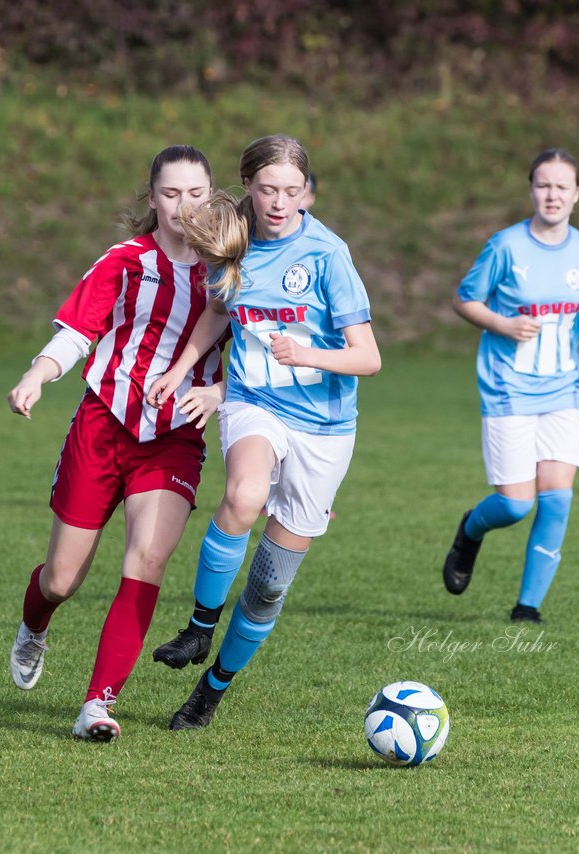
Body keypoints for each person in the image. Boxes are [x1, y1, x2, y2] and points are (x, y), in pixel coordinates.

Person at [145, 135, 381, 730]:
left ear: (308, 192)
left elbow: (368, 358)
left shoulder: (328, 256)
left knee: (268, 591)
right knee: (243, 494)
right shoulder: (230, 238)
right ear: (248, 185)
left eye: (293, 191)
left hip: (325, 427)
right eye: (269, 189)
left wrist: (307, 354)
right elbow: (220, 313)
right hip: (255, 403)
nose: (280, 202)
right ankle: (199, 627)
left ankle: (212, 689)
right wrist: (179, 371)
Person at [6, 145, 227, 742]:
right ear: (151, 198)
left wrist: (220, 392)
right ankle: (35, 624)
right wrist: (37, 373)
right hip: (104, 425)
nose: (184, 207)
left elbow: (264, 355)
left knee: (147, 559)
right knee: (61, 579)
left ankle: (97, 705)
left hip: (175, 437)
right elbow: (78, 331)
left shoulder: (232, 269)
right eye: (172, 194)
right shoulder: (126, 261)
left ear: (213, 196)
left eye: (197, 194)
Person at [441, 147, 579, 623]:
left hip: (563, 391)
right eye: (544, 185)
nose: (552, 194)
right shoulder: (505, 246)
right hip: (508, 389)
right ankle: (470, 531)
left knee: (558, 496)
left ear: (577, 195)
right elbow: (466, 300)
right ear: (531, 190)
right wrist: (502, 325)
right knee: (514, 503)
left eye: (562, 186)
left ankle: (527, 608)